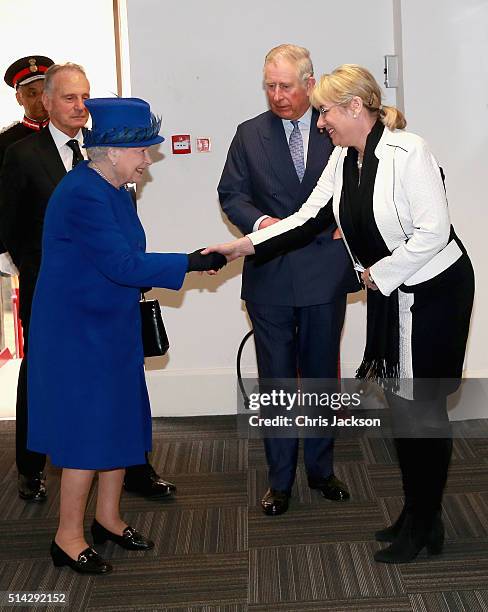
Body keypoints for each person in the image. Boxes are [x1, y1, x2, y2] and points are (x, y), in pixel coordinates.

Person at [206, 64, 474, 563]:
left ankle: (425, 521)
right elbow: (306, 219)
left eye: (326, 109)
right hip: (394, 289)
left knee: (423, 409)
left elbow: (434, 231)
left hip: (434, 292)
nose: (321, 119)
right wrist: (240, 246)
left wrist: (380, 274)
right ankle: (417, 515)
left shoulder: (408, 150)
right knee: (402, 406)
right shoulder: (344, 158)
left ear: (356, 107)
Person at [26, 96, 226, 574]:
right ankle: (67, 537)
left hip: (109, 327)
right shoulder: (82, 194)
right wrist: (192, 263)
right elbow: (121, 264)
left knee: (119, 424)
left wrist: (183, 262)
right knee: (85, 436)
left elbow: (126, 260)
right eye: (143, 151)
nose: (149, 159)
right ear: (114, 152)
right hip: (77, 335)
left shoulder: (114, 189)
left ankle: (108, 519)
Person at [0, 62, 176, 503]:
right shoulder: (19, 151)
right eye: (69, 98)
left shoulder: (111, 149)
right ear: (45, 101)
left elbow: (120, 225)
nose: (80, 106)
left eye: (84, 97)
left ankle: (134, 468)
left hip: (112, 287)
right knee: (46, 379)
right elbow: (8, 225)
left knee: (117, 383)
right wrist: (35, 270)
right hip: (52, 290)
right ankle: (31, 467)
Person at [218, 44, 358, 516]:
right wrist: (260, 226)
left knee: (320, 377)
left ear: (310, 82)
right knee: (277, 381)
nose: (277, 96)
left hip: (324, 272)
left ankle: (321, 470)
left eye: (286, 86)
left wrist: (351, 220)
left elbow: (364, 181)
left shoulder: (335, 127)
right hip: (271, 274)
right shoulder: (248, 134)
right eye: (270, 86)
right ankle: (279, 480)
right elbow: (231, 193)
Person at [0, 55, 54, 275]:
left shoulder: (72, 137)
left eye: (44, 92)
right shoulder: (5, 143)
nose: (39, 99)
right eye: (31, 93)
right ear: (18, 97)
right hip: (23, 248)